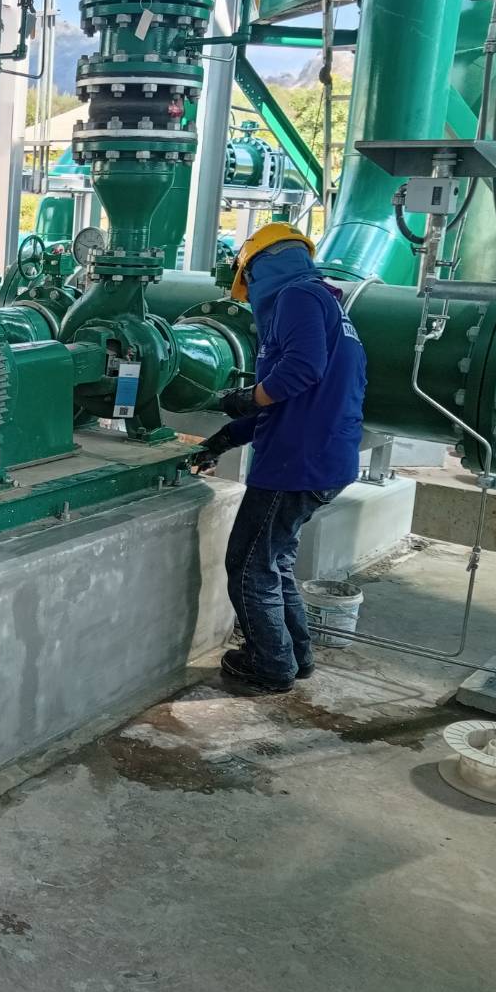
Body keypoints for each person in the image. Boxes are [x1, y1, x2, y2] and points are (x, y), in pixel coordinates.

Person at [195, 224, 367, 693]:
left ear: (257, 270)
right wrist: (224, 439)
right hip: (323, 458)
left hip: (295, 463)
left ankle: (270, 665)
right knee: (274, 562)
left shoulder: (296, 297)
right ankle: (296, 655)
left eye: (247, 284)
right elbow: (292, 402)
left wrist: (247, 396)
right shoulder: (329, 305)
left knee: (249, 565)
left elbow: (299, 373)